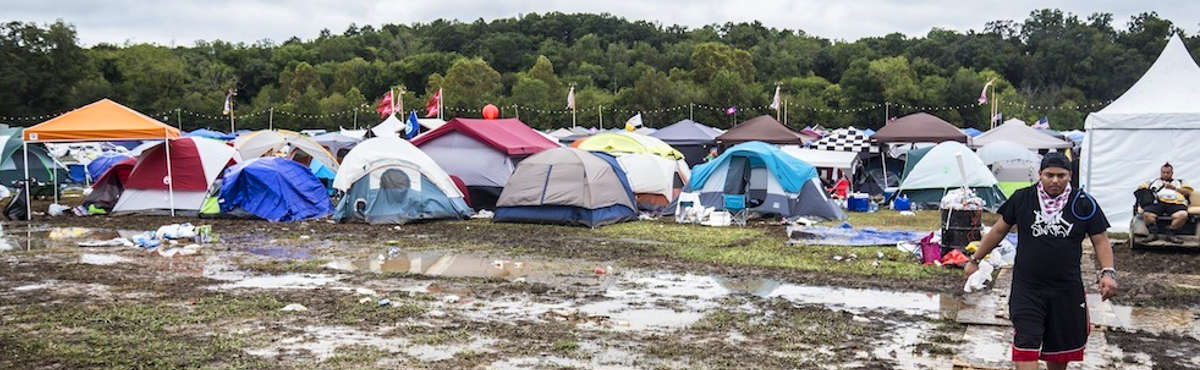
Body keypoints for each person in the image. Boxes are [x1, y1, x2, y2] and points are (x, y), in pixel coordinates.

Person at [965, 152, 1118, 370]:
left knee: (1059, 350)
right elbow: (998, 230)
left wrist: (1108, 272)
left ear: (1070, 175)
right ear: (1040, 174)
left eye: (1061, 175)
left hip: (1066, 289)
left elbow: (1101, 240)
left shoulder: (1084, 203)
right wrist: (975, 259)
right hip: (1028, 287)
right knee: (1025, 342)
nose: (1055, 180)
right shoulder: (1022, 198)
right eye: (1049, 175)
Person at [1139, 163, 1193, 242]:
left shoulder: (1180, 181)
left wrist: (1175, 188)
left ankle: (1170, 232)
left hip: (1176, 203)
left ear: (1172, 173)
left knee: (1183, 215)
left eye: (1168, 173)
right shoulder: (1153, 181)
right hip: (1157, 203)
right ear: (1160, 172)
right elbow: (1140, 188)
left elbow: (1188, 192)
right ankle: (1153, 233)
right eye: (1163, 172)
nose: (1165, 174)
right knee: (1147, 214)